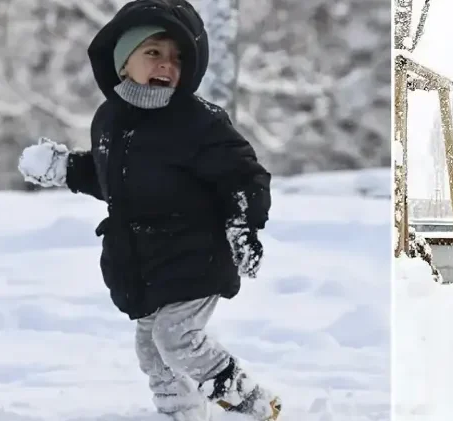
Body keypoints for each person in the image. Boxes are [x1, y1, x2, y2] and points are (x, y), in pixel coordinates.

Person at [15, 1, 279, 420]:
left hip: (197, 254)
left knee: (175, 337)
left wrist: (242, 228)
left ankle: (254, 405)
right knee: (151, 348)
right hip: (146, 263)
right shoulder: (109, 119)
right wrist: (66, 167)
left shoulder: (198, 122)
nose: (167, 65)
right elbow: (113, 180)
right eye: (153, 52)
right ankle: (180, 413)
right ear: (123, 61)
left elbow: (244, 177)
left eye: (176, 57)